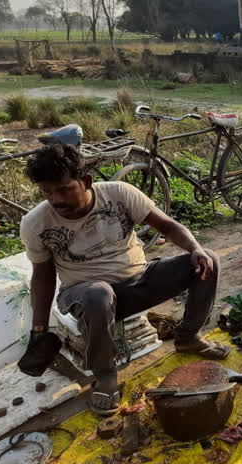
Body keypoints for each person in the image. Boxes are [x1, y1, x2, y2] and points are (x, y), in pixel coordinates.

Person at [18, 144, 228, 416]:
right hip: (85, 296)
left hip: (139, 281)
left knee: (208, 259)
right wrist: (39, 330)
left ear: (86, 181)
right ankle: (105, 374)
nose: (55, 199)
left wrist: (196, 249)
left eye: (64, 189)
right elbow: (43, 277)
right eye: (47, 192)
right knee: (99, 294)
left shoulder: (119, 194)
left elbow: (168, 227)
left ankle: (188, 337)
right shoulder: (35, 223)